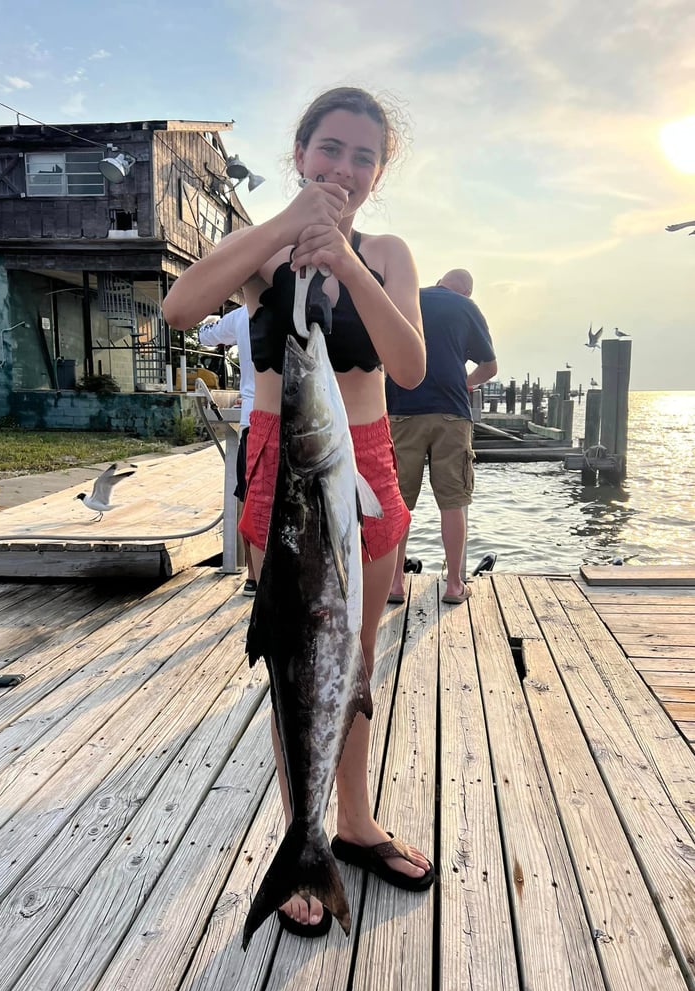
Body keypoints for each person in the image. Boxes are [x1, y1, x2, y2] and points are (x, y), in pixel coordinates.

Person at [163, 86, 433, 935]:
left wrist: (346, 260)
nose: (344, 168)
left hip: (367, 454)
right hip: (284, 458)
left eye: (363, 156)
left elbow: (412, 365)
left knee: (353, 656)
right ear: (301, 152)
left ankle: (350, 822)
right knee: (292, 652)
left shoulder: (386, 251)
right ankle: (300, 837)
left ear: (380, 171)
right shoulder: (258, 251)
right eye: (330, 149)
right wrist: (285, 226)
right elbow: (178, 308)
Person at [386, 268, 497, 604]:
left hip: (403, 408)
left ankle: (393, 584)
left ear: (439, 282)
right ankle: (453, 585)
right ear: (466, 292)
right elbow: (490, 366)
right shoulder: (466, 308)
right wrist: (467, 382)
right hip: (451, 412)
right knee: (453, 501)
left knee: (399, 501)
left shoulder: (408, 298)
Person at [198, 304, 257, 595]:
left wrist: (209, 319)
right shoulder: (306, 304)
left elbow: (204, 336)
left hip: (254, 418)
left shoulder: (242, 314)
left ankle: (254, 575)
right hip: (302, 419)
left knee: (249, 497)